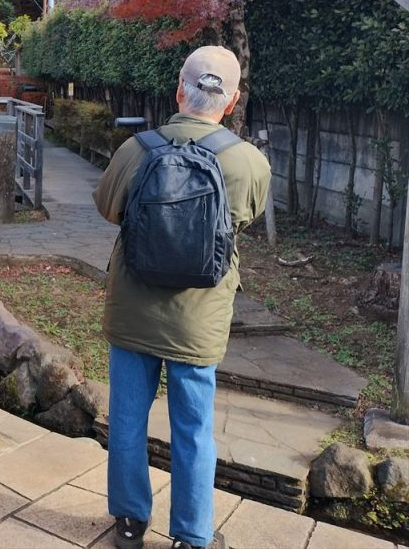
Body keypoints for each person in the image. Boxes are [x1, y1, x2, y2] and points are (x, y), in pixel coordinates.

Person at [92, 46, 271, 549]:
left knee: (127, 418)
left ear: (178, 91)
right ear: (232, 101)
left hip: (132, 309)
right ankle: (192, 534)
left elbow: (107, 207)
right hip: (199, 317)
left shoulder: (135, 150)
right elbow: (244, 218)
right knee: (194, 427)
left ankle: (130, 521)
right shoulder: (248, 162)